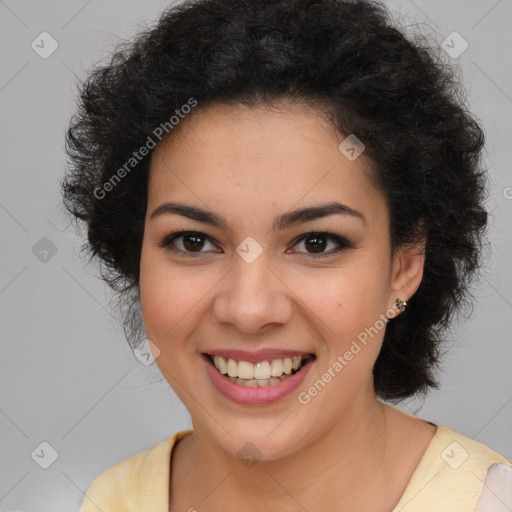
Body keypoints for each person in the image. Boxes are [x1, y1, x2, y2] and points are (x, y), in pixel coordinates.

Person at [61, 0, 512, 510]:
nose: (249, 310)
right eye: (193, 241)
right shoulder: (108, 500)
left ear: (403, 266)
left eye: (316, 243)